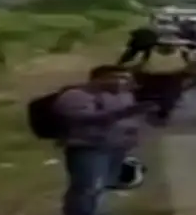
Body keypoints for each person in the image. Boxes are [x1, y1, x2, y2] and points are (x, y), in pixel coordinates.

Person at [54, 65, 153, 215]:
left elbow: (129, 121)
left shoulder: (124, 95)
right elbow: (79, 118)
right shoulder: (76, 95)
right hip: (89, 147)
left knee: (104, 186)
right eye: (116, 77)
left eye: (125, 78)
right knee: (87, 187)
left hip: (117, 147)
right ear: (97, 79)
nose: (121, 82)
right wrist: (123, 113)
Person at [131, 42, 189, 125]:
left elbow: (136, 64)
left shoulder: (183, 51)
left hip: (165, 78)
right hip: (158, 78)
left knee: (167, 95)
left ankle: (161, 111)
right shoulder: (147, 51)